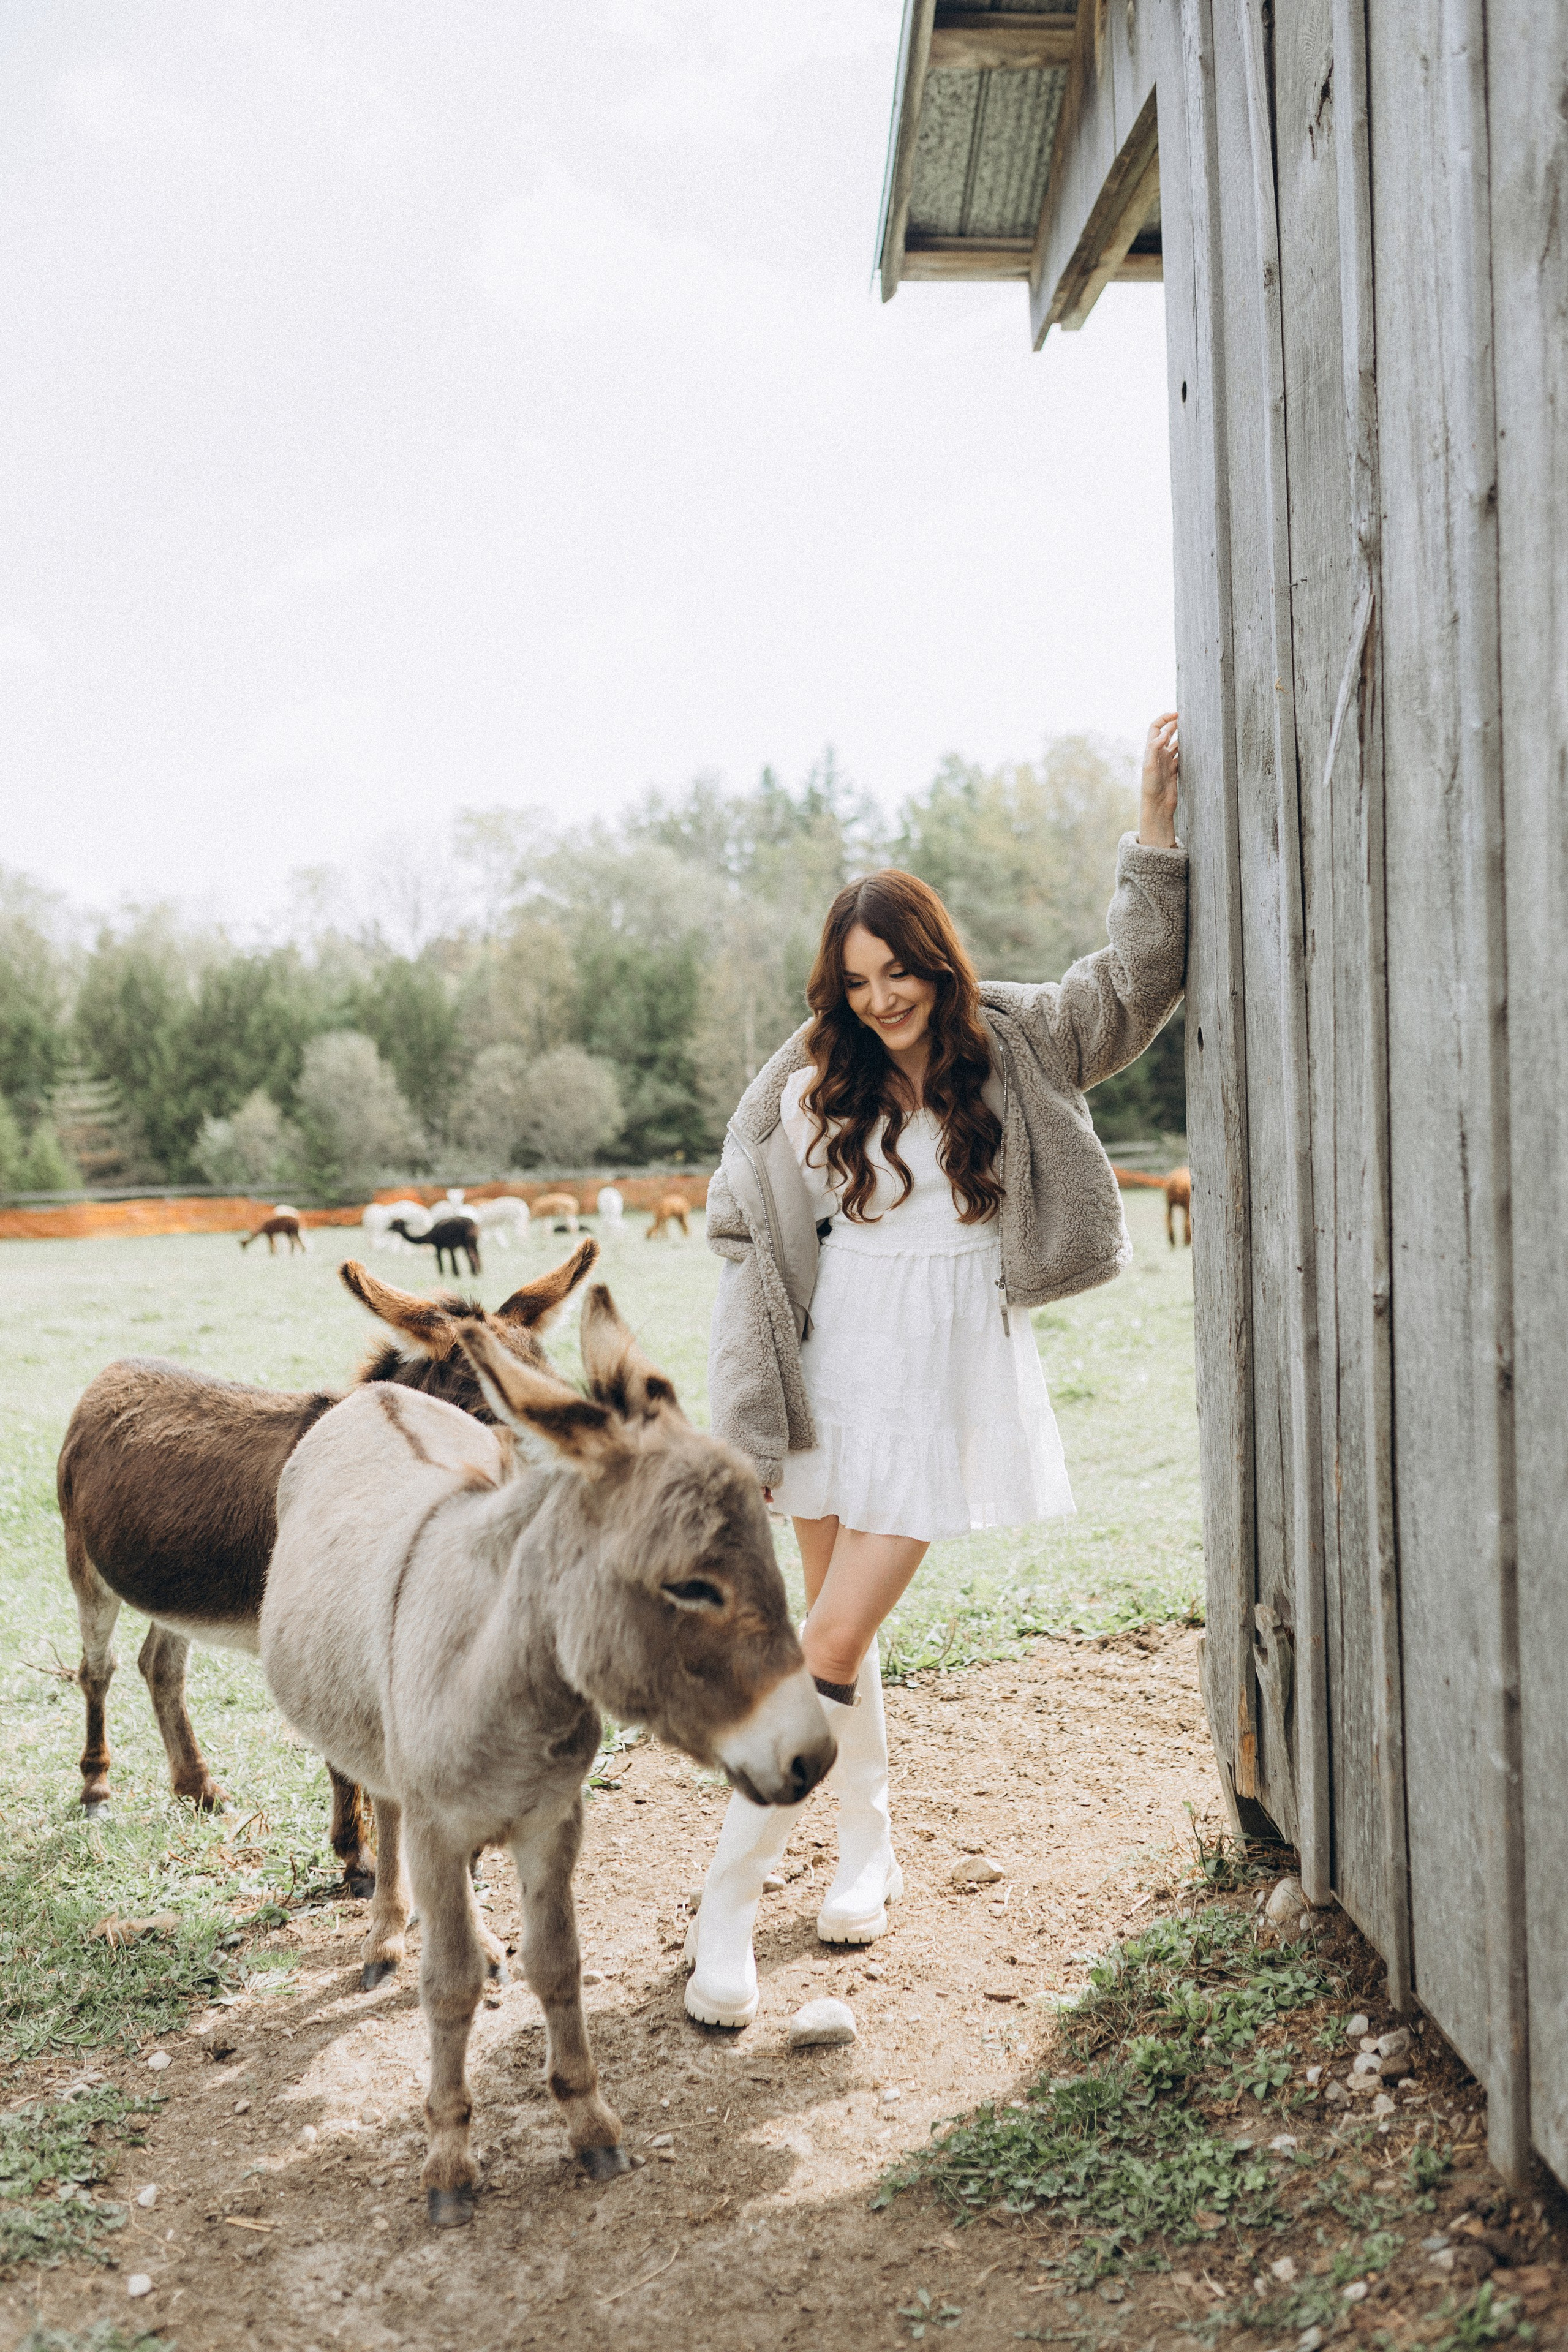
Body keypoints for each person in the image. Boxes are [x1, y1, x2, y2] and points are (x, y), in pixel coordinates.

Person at [685, 714, 1188, 2030]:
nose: (879, 998)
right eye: (854, 982)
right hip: (832, 1363)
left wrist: (1152, 823)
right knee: (827, 1637)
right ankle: (864, 1848)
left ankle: (722, 1902)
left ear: (932, 958)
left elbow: (1134, 981)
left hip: (944, 1366)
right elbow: (751, 1233)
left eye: (895, 969)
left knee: (833, 1639)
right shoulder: (808, 1089)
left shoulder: (1016, 1043)